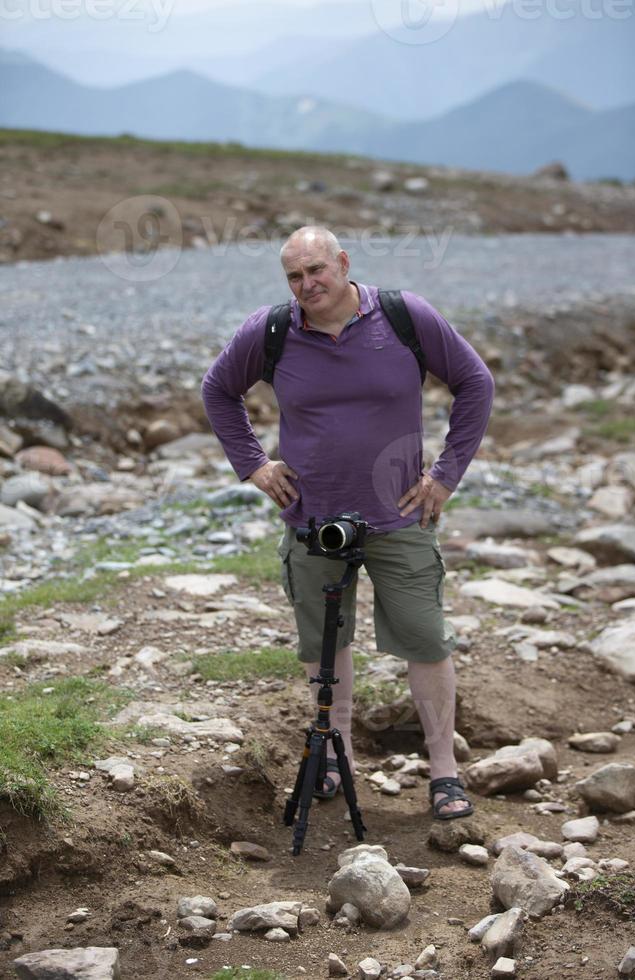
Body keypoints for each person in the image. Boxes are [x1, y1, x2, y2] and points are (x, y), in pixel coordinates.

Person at [201, 226, 494, 819]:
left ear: (343, 263)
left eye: (316, 270)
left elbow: (475, 383)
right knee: (324, 648)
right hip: (312, 520)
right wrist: (254, 466)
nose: (307, 284)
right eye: (294, 276)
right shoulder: (273, 330)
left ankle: (444, 772)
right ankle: (337, 763)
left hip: (401, 515)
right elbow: (217, 389)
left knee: (427, 642)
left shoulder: (404, 315)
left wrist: (443, 476)